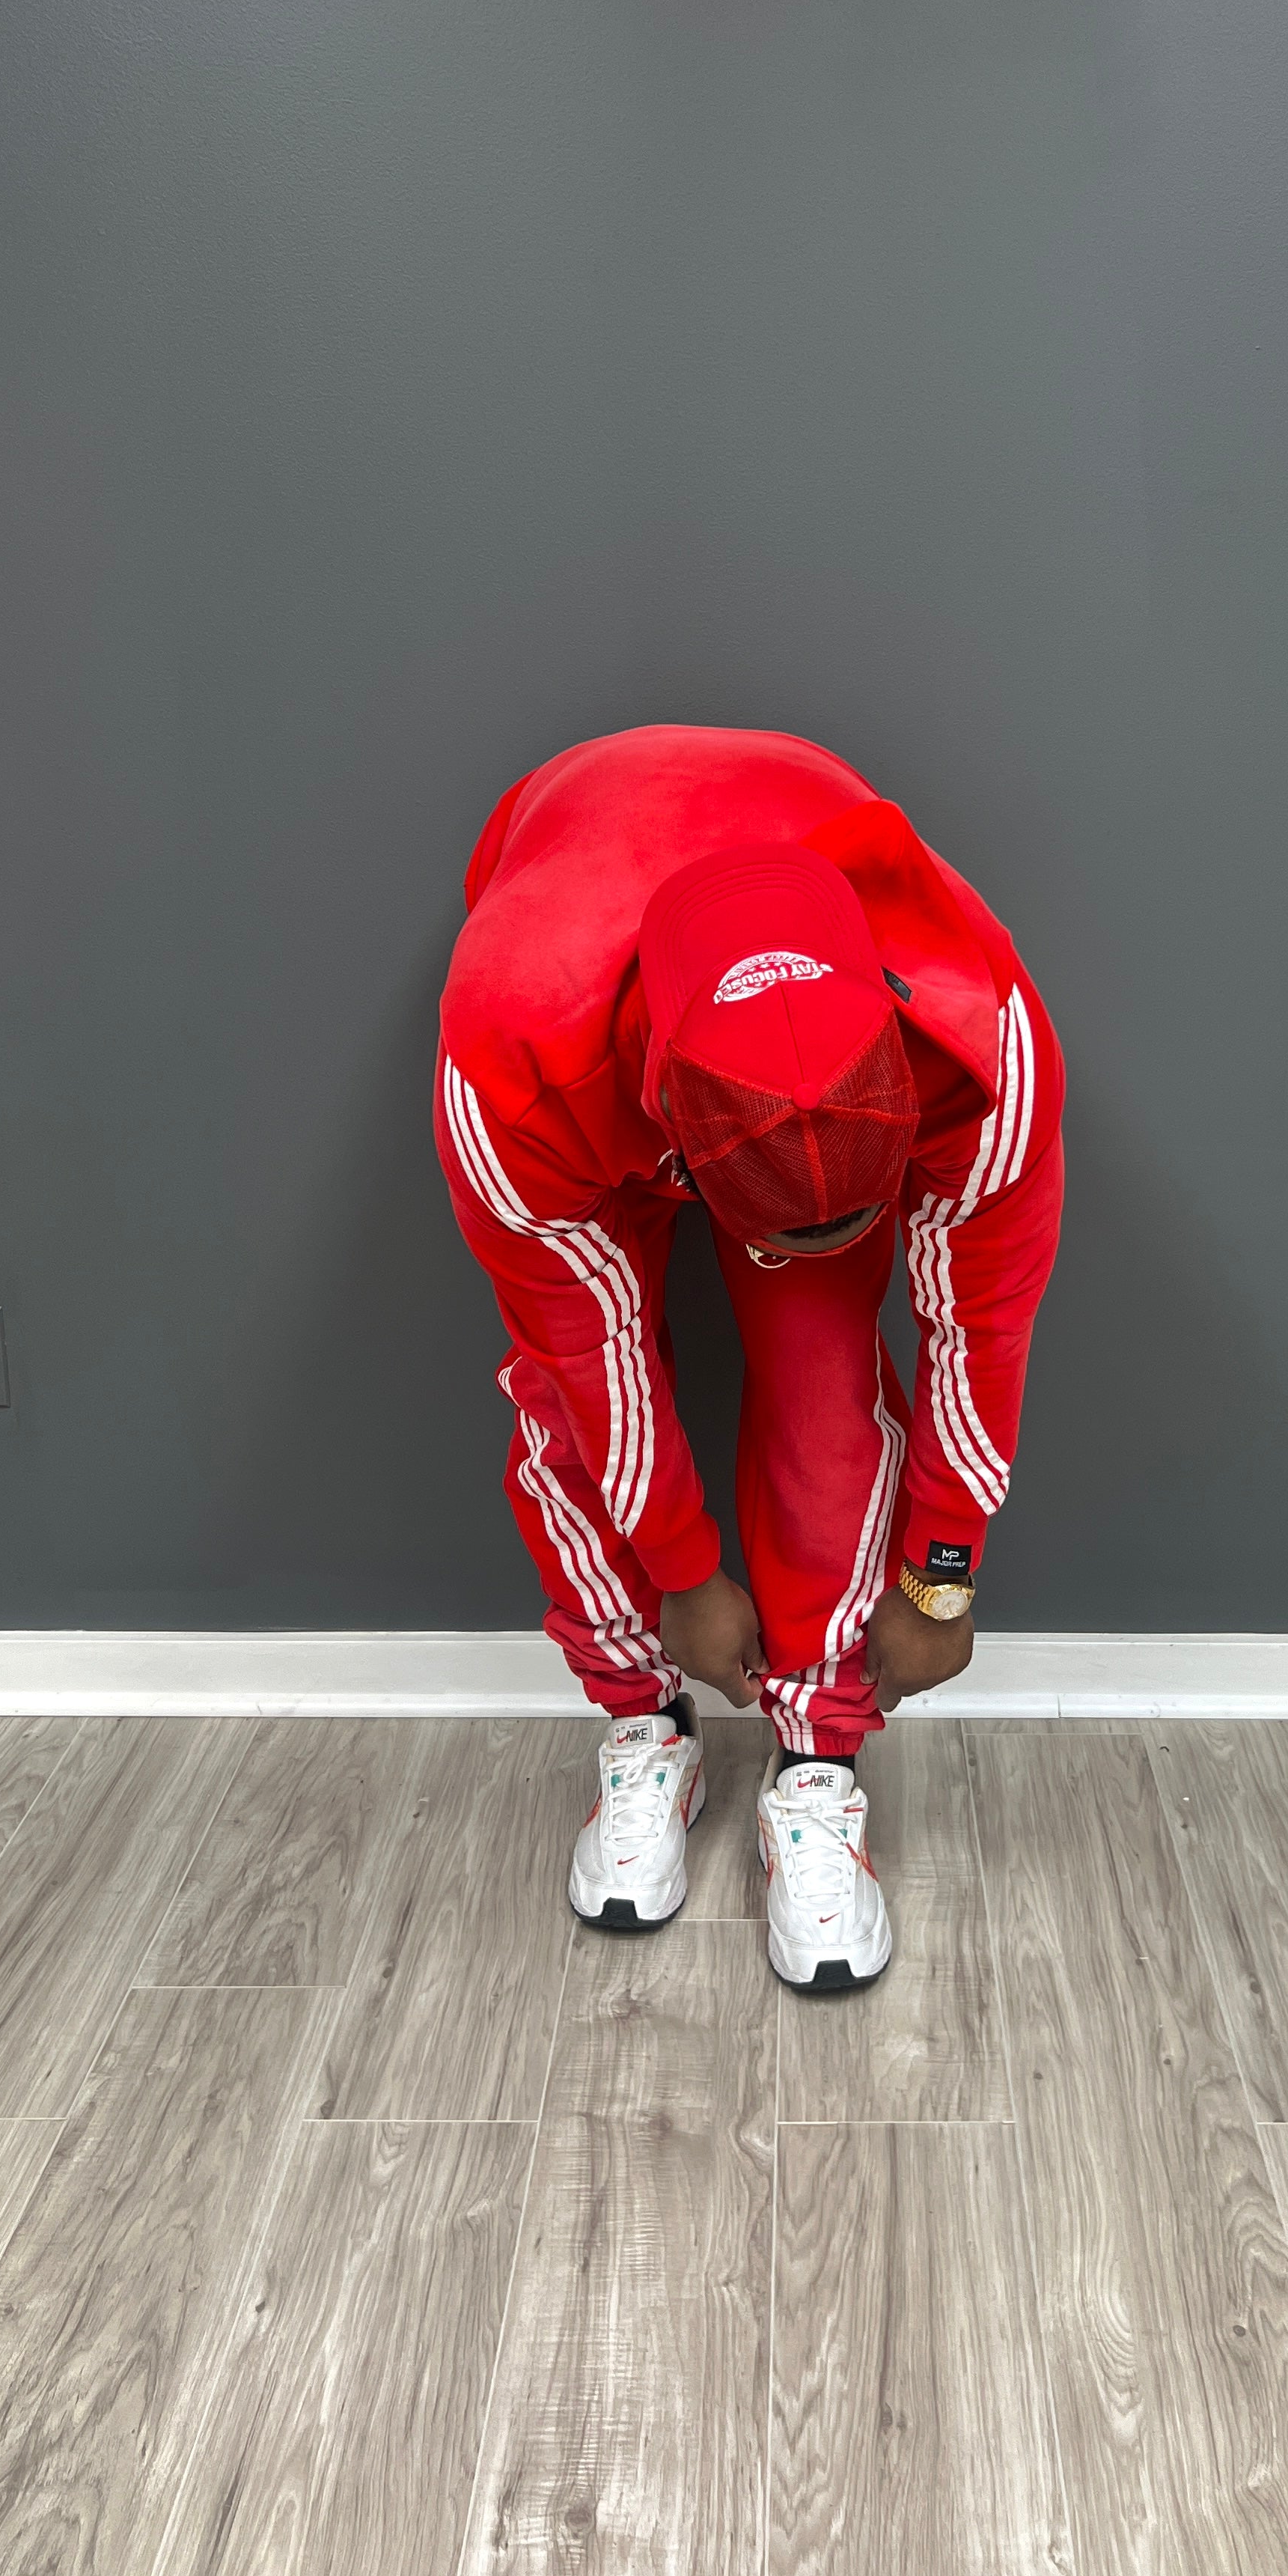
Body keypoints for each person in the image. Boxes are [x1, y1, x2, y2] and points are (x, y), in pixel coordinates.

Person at [434, 725, 1063, 1992]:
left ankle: (818, 1753)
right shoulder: (510, 1057)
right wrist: (681, 1569)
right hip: (582, 1025)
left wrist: (942, 1579)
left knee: (826, 1390)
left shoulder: (980, 1038)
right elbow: (591, 1354)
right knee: (565, 1403)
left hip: (790, 1021)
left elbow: (978, 1325)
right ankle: (643, 1723)